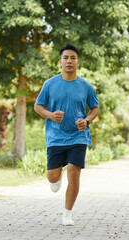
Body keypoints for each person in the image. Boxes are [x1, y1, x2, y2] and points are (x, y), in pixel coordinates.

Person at [34, 44, 100, 226]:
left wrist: (87, 120)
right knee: (53, 179)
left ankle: (67, 213)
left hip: (78, 136)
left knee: (74, 172)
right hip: (55, 136)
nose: (69, 61)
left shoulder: (86, 86)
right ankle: (57, 174)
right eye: (65, 58)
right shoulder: (50, 84)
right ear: (60, 61)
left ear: (78, 62)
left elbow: (95, 107)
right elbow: (38, 106)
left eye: (72, 58)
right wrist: (50, 115)